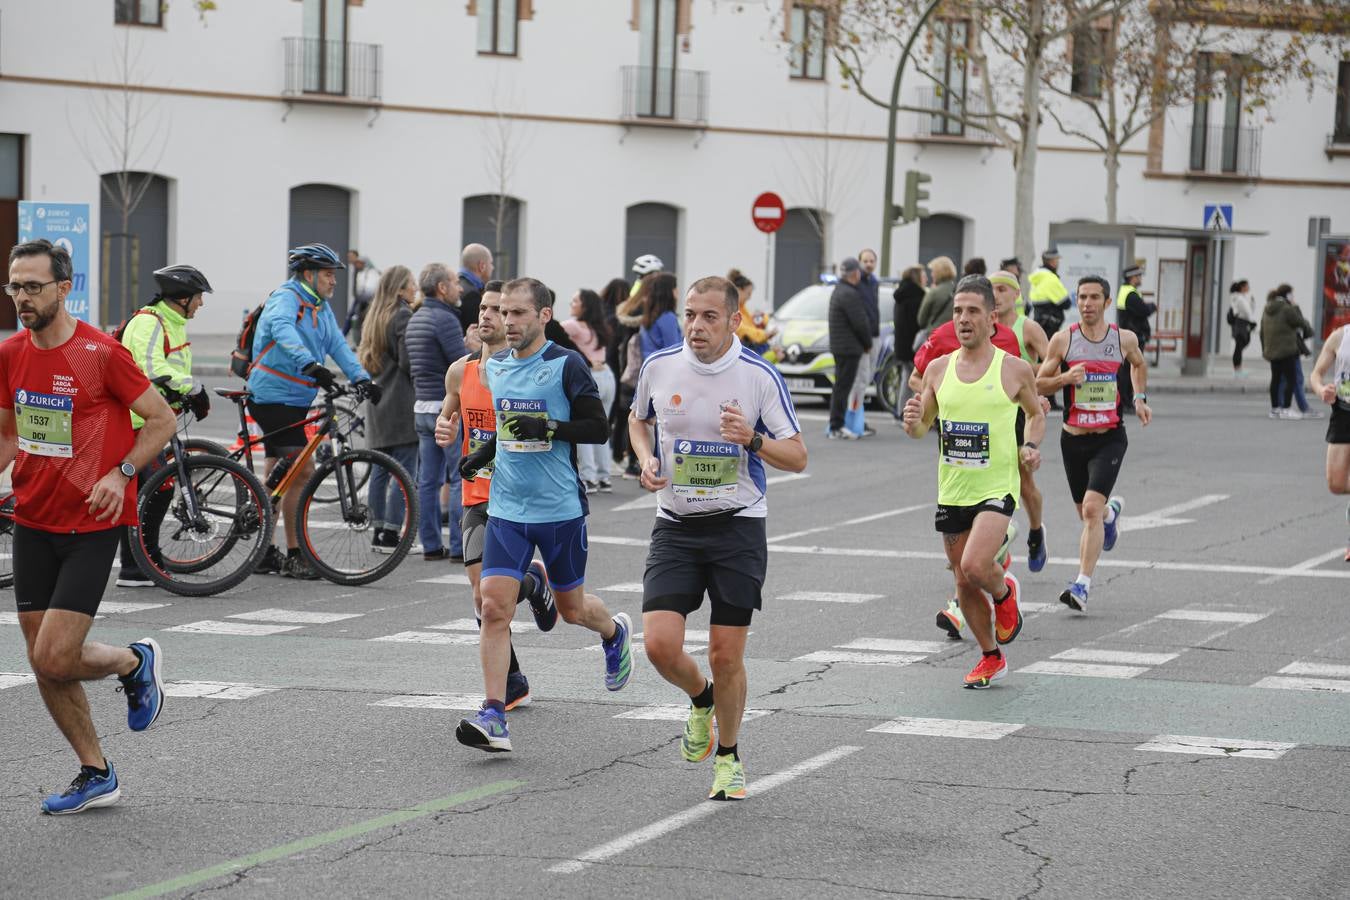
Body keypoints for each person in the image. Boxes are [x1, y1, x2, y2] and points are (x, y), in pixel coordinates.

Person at [2, 238, 177, 814]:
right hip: (32, 517)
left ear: (63, 287)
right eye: (14, 286)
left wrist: (121, 473)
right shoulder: (11, 354)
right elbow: (8, 433)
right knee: (43, 661)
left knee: (54, 656)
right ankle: (95, 770)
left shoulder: (100, 354)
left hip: (91, 521)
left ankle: (133, 661)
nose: (21, 298)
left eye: (32, 286)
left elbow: (161, 419)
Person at [629, 275, 807, 800]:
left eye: (709, 316)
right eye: (689, 314)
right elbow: (638, 421)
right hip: (676, 525)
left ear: (734, 320)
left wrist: (751, 439)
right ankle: (701, 698)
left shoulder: (757, 377)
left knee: (726, 655)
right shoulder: (659, 366)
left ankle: (728, 757)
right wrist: (646, 460)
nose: (696, 326)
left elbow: (797, 456)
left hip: (738, 525)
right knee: (661, 646)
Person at [451, 277, 632, 753]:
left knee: (574, 610)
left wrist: (549, 426)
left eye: (518, 314)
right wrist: (485, 452)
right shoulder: (499, 368)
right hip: (507, 506)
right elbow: (513, 426)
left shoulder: (566, 365)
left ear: (544, 316)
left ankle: (614, 633)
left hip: (559, 509)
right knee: (491, 606)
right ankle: (494, 714)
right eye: (504, 313)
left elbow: (597, 428)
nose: (508, 322)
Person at [902, 274, 1045, 689]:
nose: (963, 319)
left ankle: (1004, 594)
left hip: (996, 486)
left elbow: (1035, 413)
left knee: (975, 565)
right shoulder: (937, 370)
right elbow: (922, 426)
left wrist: (1031, 445)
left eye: (972, 312)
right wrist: (913, 422)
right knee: (963, 583)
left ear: (992, 318)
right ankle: (991, 657)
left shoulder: (1014, 369)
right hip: (953, 488)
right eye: (958, 311)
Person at [435, 286, 557, 712]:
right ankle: (513, 680)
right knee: (480, 596)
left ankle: (535, 583)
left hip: (519, 495)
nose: (487, 316)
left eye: (497, 310)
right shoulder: (459, 371)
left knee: (492, 596)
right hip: (476, 493)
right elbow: (449, 412)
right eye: (483, 308)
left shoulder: (527, 372)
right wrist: (445, 428)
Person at [247, 242, 379, 580]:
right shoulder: (287, 297)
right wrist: (311, 364)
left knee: (280, 474)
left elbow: (337, 344)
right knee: (301, 472)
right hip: (272, 396)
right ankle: (294, 554)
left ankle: (261, 548)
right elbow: (282, 329)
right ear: (308, 274)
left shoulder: (319, 307)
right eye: (328, 275)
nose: (334, 281)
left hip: (295, 398)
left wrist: (363, 379)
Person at [1036, 276, 1152, 613]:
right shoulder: (1064, 340)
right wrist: (1064, 379)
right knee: (1088, 513)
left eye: (1094, 297)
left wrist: (1140, 399)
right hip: (1073, 439)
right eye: (1082, 297)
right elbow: (1040, 383)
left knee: (1089, 511)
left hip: (1110, 437)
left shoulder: (1123, 339)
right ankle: (1110, 514)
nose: (1087, 303)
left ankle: (1081, 585)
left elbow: (1139, 364)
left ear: (1106, 301)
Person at [114, 263, 214, 588]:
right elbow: (148, 368)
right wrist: (192, 387)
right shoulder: (149, 322)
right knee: (157, 489)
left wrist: (182, 395)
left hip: (153, 420)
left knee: (150, 489)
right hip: (134, 421)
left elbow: (164, 374)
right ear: (182, 298)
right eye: (198, 297)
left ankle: (141, 562)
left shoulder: (173, 323)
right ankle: (138, 565)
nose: (200, 304)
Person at [406, 262, 466, 560]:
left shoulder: (416, 318)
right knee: (458, 478)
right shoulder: (445, 319)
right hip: (447, 408)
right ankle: (458, 546)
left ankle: (430, 544)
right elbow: (461, 365)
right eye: (455, 282)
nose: (460, 288)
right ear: (442, 288)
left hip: (421, 406)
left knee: (427, 480)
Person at [358, 266, 420, 552]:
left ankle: (378, 529)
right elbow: (408, 362)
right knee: (404, 471)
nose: (415, 288)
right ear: (399, 289)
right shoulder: (402, 314)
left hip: (377, 402)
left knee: (380, 471)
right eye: (411, 284)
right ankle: (393, 533)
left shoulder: (373, 315)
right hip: (400, 401)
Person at [562, 288, 616, 493]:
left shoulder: (573, 325)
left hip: (588, 375)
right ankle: (604, 476)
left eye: (575, 300)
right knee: (602, 426)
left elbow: (552, 331)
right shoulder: (600, 327)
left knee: (583, 426)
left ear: (584, 305)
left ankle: (588, 477)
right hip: (607, 375)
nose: (571, 303)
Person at [1309, 324, 1350, 562]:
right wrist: (1322, 390)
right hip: (1343, 412)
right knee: (1336, 484)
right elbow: (1316, 374)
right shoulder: (1339, 337)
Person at [827, 257, 870, 440]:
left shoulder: (839, 290)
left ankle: (836, 424)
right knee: (843, 387)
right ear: (856, 274)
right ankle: (837, 426)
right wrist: (867, 343)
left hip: (840, 346)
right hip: (849, 347)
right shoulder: (850, 294)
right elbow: (860, 323)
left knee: (840, 386)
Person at [1261, 284, 1317, 420]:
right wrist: (1295, 306)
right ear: (1287, 295)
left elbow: (1262, 331)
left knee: (1275, 379)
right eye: (1292, 294)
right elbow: (1300, 321)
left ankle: (1275, 409)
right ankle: (1286, 408)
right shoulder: (1287, 309)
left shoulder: (1267, 309)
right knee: (1291, 379)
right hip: (1287, 350)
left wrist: (1265, 348)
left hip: (1272, 351)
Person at [1114, 264, 1156, 415]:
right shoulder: (1130, 294)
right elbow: (1143, 310)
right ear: (1132, 277)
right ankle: (1126, 403)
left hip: (1129, 337)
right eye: (1138, 276)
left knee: (1127, 370)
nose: (1140, 279)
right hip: (1132, 338)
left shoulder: (1127, 291)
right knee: (1129, 371)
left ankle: (1125, 401)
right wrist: (1152, 306)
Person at [891, 265, 926, 416]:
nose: (926, 278)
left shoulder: (901, 295)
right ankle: (911, 413)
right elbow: (918, 322)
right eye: (923, 275)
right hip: (913, 346)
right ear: (916, 277)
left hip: (902, 345)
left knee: (907, 379)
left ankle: (901, 412)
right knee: (917, 380)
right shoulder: (916, 297)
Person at [729, 269, 776, 354]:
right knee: (772, 352)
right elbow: (741, 329)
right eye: (748, 293)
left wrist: (764, 319)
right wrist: (764, 335)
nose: (749, 297)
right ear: (738, 290)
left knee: (772, 349)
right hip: (739, 348)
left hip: (747, 345)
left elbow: (752, 324)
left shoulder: (742, 307)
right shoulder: (731, 308)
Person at [640, 272, 682, 360]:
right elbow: (674, 350)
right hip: (664, 369)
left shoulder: (650, 315)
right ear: (668, 292)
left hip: (651, 365)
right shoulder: (667, 317)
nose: (678, 291)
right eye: (675, 288)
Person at [457, 244, 494, 336]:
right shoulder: (472, 295)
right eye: (491, 263)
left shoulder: (456, 286)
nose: (493, 268)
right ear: (482, 266)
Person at [343, 250, 379, 343]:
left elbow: (370, 289)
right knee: (354, 318)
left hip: (368, 301)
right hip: (360, 300)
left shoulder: (372, 273)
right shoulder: (360, 272)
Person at [916, 256, 958, 335]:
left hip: (935, 337)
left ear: (939, 272)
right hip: (954, 336)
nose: (931, 275)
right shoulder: (959, 290)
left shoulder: (933, 293)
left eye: (933, 271)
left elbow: (921, 320)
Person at [1229, 279, 1256, 376]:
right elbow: (1247, 312)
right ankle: (1237, 369)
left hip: (1241, 323)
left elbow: (1249, 311)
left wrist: (1252, 304)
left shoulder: (1241, 297)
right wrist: (1252, 322)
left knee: (1240, 346)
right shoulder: (1239, 298)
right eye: (1247, 286)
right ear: (1242, 287)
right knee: (1239, 346)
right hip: (1241, 324)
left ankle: (1238, 368)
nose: (1248, 288)